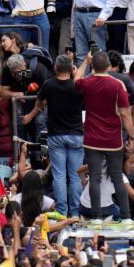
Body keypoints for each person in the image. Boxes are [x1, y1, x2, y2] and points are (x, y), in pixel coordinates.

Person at [74, 50, 134, 229]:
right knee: (117, 177)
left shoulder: (87, 82)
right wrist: (132, 135)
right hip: (113, 139)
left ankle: (97, 218)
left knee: (95, 178)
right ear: (108, 66)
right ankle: (126, 218)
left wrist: (85, 62)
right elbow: (125, 113)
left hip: (92, 138)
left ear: (93, 66)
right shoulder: (117, 85)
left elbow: (75, 79)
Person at [26, 55, 84, 217]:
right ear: (71, 69)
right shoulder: (76, 85)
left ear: (56, 68)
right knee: (75, 175)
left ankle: (61, 211)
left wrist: (43, 105)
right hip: (76, 134)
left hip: (56, 135)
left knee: (59, 175)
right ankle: (75, 212)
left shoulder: (48, 84)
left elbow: (39, 103)